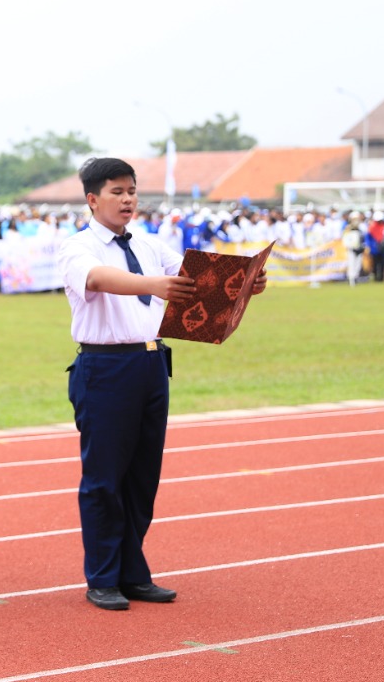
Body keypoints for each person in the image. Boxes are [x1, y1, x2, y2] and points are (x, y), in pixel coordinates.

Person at [57, 157, 265, 611]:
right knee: (104, 479)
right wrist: (153, 284)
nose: (128, 198)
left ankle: (133, 573)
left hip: (152, 366)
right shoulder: (77, 247)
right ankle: (103, 577)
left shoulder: (151, 244)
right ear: (92, 199)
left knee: (142, 478)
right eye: (116, 191)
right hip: (105, 368)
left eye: (131, 190)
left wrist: (244, 280)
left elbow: (198, 278)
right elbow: (98, 279)